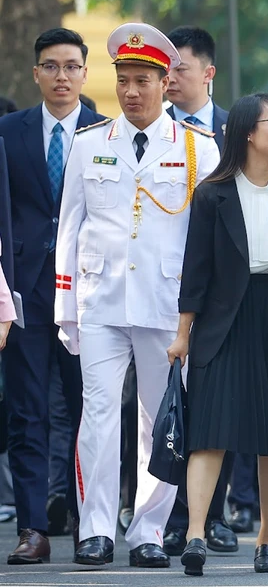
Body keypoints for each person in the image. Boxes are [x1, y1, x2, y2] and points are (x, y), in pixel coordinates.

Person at [54, 23, 221, 568]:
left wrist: (201, 316)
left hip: (167, 305)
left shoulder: (200, 149)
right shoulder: (90, 143)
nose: (131, 91)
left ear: (165, 80)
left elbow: (209, 241)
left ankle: (147, 530)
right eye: (123, 80)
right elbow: (70, 229)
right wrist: (65, 308)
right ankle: (96, 528)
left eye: (143, 80)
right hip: (100, 301)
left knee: (160, 418)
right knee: (98, 413)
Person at [169, 93, 268, 576]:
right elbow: (195, 270)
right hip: (224, 320)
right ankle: (196, 534)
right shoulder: (213, 194)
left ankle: (266, 538)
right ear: (246, 133)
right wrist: (183, 334)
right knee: (209, 433)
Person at [1, 28, 106, 565]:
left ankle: (92, 523)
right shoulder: (8, 132)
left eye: (71, 66)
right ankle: (33, 529)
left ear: (85, 73)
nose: (61, 76)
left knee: (93, 410)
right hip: (24, 292)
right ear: (36, 73)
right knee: (27, 412)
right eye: (51, 66)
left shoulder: (107, 132)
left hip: (89, 294)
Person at [162, 24, 236, 557]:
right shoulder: (144, 129)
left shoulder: (240, 131)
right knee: (159, 406)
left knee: (216, 405)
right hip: (156, 287)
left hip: (221, 297)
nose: (167, 80)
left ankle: (211, 515)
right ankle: (162, 515)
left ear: (208, 73)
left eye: (179, 69)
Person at [165, 26, 228, 145]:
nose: (170, 79)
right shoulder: (153, 127)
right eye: (166, 70)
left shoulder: (235, 129)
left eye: (180, 70)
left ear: (208, 74)